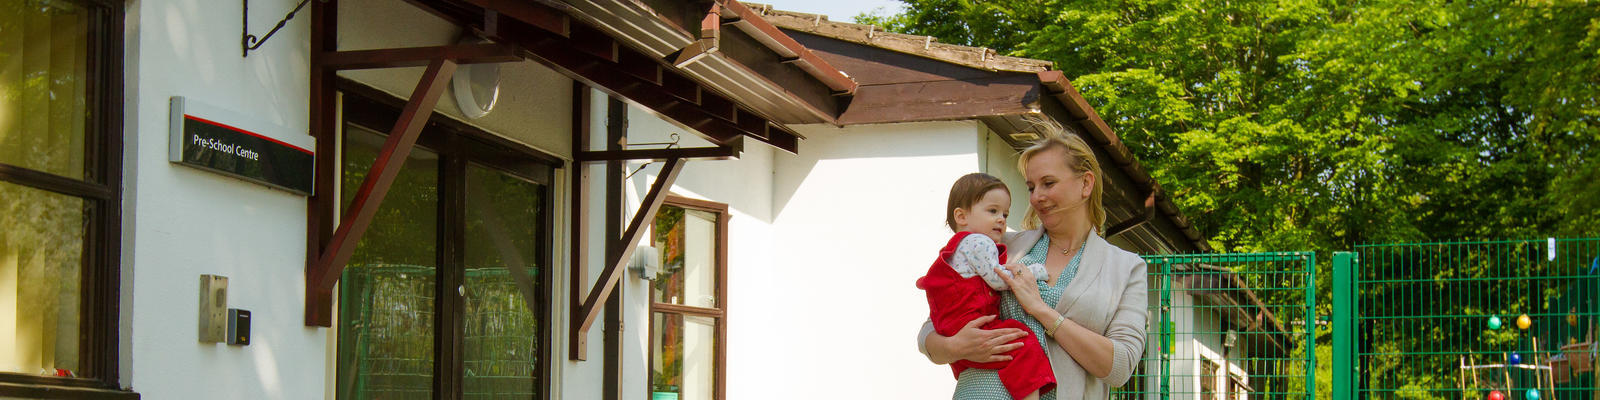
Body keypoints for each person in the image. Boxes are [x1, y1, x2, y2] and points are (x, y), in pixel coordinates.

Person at [917, 124, 1149, 400]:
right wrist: (956, 346)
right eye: (1031, 187)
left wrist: (1042, 311)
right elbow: (930, 330)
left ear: (1086, 184)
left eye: (1048, 183)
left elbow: (1120, 367)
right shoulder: (1002, 246)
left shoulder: (1126, 267)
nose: (1036, 196)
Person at [918, 173, 1055, 400]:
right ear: (961, 216)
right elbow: (999, 280)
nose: (1001, 219)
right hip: (974, 326)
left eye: (1005, 214)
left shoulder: (957, 247)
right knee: (1023, 343)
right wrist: (1033, 272)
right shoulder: (979, 242)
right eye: (993, 211)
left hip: (953, 330)